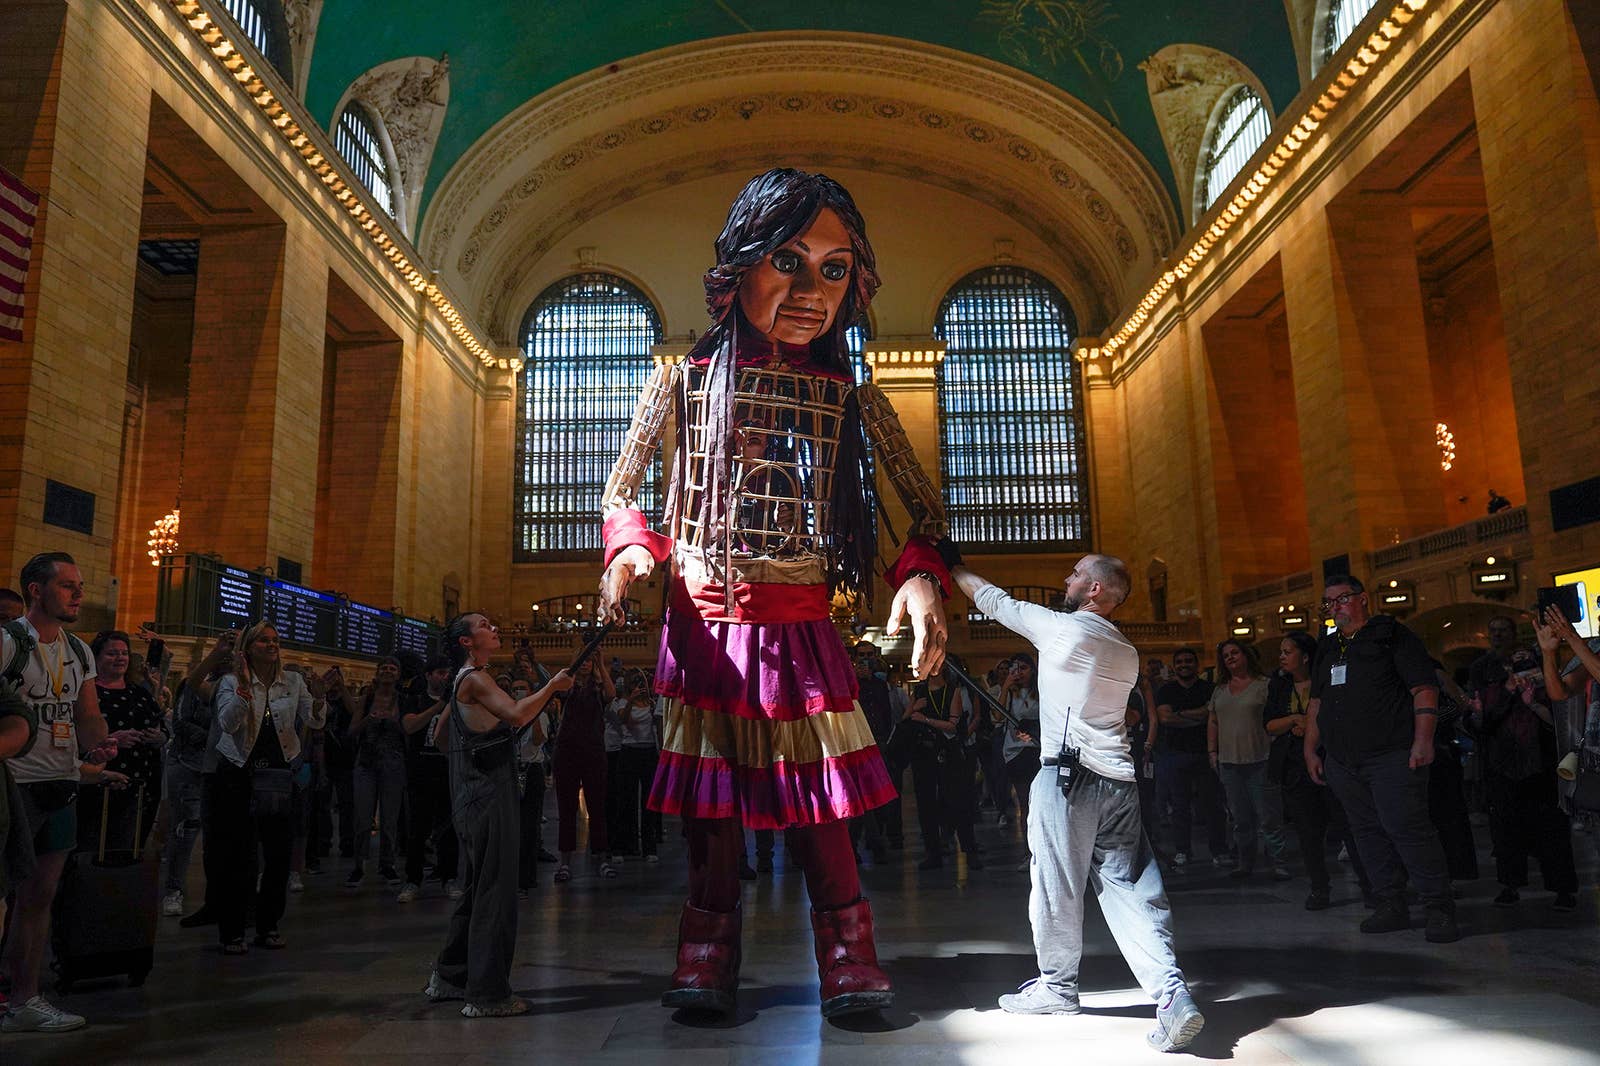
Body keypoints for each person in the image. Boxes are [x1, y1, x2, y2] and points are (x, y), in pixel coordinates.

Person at [596, 169, 956, 1018]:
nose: (809, 291)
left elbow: (925, 511)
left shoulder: (849, 393)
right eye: (788, 261)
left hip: (800, 626)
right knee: (709, 809)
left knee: (822, 803)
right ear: (741, 267)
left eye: (833, 271)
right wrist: (632, 551)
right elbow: (620, 491)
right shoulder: (681, 382)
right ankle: (708, 948)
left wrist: (917, 576)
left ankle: (847, 953)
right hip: (703, 625)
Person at [954, 554, 1205, 1053]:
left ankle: (1057, 986)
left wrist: (948, 565)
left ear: (1094, 590)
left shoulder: (1063, 630)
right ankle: (1173, 997)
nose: (1065, 579)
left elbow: (992, 599)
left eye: (1075, 574)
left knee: (1055, 887)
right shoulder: (1126, 650)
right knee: (1134, 890)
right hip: (1119, 782)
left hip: (1066, 781)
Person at [0, 552, 131, 1034]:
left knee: (39, 896)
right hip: (13, 783)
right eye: (68, 585)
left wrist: (102, 742)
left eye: (79, 585)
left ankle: (24, 999)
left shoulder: (77, 650)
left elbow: (86, 712)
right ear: (36, 590)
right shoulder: (8, 642)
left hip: (60, 781)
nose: (79, 593)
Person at [423, 612, 571, 1018]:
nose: (494, 627)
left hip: (471, 798)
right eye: (484, 625)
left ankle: (451, 976)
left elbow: (439, 738)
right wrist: (553, 688)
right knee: (495, 894)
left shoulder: (462, 681)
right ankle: (487, 994)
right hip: (490, 798)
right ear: (467, 642)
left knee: (475, 888)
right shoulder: (475, 678)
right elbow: (520, 715)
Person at [1303, 575, 1459, 942]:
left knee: (1408, 829)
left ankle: (1438, 906)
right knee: (1365, 832)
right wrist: (1311, 749)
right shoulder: (1328, 648)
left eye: (1342, 599)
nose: (1336, 607)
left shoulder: (1392, 636)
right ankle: (1390, 901)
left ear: (1363, 599)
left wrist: (1424, 741)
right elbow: (1316, 703)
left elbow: (1423, 688)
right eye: (1329, 602)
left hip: (1391, 754)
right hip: (1343, 760)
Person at [210, 622, 328, 954]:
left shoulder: (292, 682)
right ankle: (233, 930)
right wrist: (245, 689)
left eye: (275, 640)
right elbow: (228, 724)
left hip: (277, 773)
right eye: (263, 640)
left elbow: (315, 720)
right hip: (238, 771)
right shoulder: (231, 682)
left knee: (278, 855)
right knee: (239, 855)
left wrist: (319, 698)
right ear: (248, 647)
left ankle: (268, 925)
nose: (271, 645)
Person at [1265, 630, 1371, 910]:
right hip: (1295, 767)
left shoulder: (1327, 681)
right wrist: (1295, 719)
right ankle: (1319, 888)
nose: (1282, 657)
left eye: (1288, 652)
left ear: (1305, 656)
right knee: (1308, 833)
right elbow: (1269, 724)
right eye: (1281, 652)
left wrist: (1312, 728)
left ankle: (1371, 887)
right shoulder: (1279, 686)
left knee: (1349, 827)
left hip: (1331, 760)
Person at [1472, 642, 1577, 909]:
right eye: (1516, 661)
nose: (1521, 667)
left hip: (1542, 769)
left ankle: (1562, 889)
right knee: (1507, 834)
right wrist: (1507, 695)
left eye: (1527, 660)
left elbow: (1562, 725)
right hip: (1504, 770)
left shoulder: (1549, 685)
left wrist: (1534, 705)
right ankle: (1510, 885)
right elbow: (1483, 725)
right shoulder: (1495, 690)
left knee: (1552, 833)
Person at [161, 632, 233, 917]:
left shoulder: (236, 689)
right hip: (189, 763)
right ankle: (173, 889)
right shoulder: (195, 687)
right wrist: (217, 737)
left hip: (220, 768)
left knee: (218, 834)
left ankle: (216, 894)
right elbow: (181, 722)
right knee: (185, 830)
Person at [1206, 639, 1289, 881]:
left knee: (1268, 816)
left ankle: (1278, 862)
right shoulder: (1220, 689)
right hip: (1230, 762)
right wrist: (1212, 751)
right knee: (1240, 817)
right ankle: (1245, 862)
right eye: (1226, 655)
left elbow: (1276, 717)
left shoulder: (1264, 686)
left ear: (1246, 655)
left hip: (1260, 759)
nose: (1230, 658)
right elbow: (1213, 721)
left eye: (1235, 653)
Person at [83, 630, 167, 852]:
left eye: (124, 653)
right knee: (95, 849)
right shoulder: (87, 693)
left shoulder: (139, 693)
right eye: (112, 653)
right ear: (96, 657)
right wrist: (110, 740)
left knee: (131, 850)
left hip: (142, 786)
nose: (120, 658)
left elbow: (162, 725)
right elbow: (76, 735)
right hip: (100, 783)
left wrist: (160, 737)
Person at [1154, 648, 1228, 870]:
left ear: (1196, 665)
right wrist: (1198, 716)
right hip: (1175, 753)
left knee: (1213, 805)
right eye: (1179, 661)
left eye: (1188, 661)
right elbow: (1165, 718)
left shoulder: (1209, 688)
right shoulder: (1166, 690)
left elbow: (1212, 715)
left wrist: (1181, 715)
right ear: (1174, 665)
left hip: (1205, 752)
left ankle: (1219, 850)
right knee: (1179, 807)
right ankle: (1183, 850)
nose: (1184, 665)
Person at [905, 660, 983, 871]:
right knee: (926, 806)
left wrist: (925, 719)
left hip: (948, 752)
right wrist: (915, 710)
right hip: (923, 753)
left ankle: (969, 850)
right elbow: (906, 719)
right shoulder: (919, 690)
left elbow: (953, 726)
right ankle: (933, 852)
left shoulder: (953, 690)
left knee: (958, 803)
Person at [552, 654, 617, 882]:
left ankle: (602, 859)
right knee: (567, 808)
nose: (587, 664)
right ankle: (565, 863)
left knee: (597, 807)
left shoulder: (597, 687)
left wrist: (601, 663)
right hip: (567, 751)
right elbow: (558, 692)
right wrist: (572, 670)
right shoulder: (568, 684)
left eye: (590, 660)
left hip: (593, 750)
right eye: (584, 660)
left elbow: (611, 694)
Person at [344, 657, 408, 889]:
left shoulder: (403, 701)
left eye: (393, 668)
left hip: (393, 763)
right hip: (366, 763)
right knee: (362, 817)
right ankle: (359, 864)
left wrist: (394, 721)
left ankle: (387, 864)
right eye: (384, 669)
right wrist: (369, 719)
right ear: (378, 673)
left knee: (390, 818)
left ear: (398, 675)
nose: (388, 672)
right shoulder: (367, 698)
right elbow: (352, 730)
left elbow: (408, 730)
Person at [400, 654, 459, 902]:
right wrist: (439, 706)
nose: (444, 677)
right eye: (440, 673)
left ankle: (450, 877)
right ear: (428, 675)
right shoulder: (414, 700)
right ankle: (413, 880)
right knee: (418, 830)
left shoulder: (458, 702)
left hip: (447, 772)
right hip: (420, 772)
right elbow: (410, 726)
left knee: (448, 830)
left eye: (447, 673)